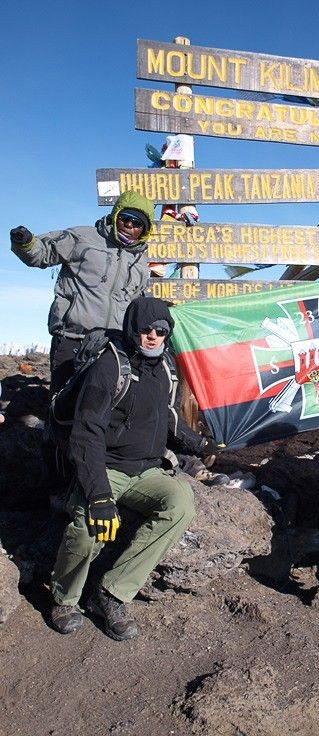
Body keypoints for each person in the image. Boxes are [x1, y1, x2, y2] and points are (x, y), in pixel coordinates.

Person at [49, 296, 196, 641]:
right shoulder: (109, 366)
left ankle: (112, 592)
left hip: (147, 470)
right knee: (89, 530)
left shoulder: (164, 368)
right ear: (132, 328)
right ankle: (64, 599)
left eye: (161, 329)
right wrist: (99, 495)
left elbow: (167, 418)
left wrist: (200, 444)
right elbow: (86, 433)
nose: (153, 335)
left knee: (181, 506)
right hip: (106, 467)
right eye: (146, 328)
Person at [9, 190, 155, 393]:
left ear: (144, 230)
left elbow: (135, 300)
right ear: (116, 215)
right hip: (72, 337)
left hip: (111, 345)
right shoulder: (83, 237)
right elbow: (44, 252)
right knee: (62, 402)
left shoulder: (140, 261)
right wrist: (25, 242)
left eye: (137, 223)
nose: (130, 225)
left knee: (100, 404)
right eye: (125, 218)